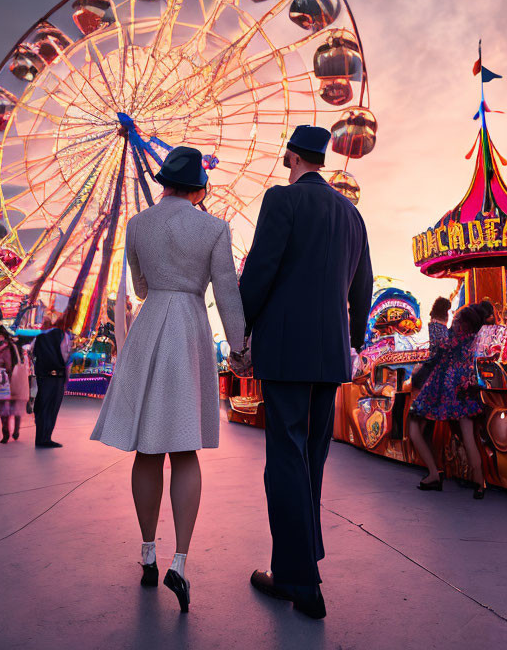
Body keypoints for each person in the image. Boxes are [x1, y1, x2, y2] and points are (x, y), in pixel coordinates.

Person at [90, 146, 244, 614]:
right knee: (185, 449)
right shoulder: (215, 228)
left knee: (147, 450)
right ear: (199, 186)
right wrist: (239, 349)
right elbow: (227, 293)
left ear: (163, 182)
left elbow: (137, 287)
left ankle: (147, 553)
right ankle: (180, 559)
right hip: (190, 329)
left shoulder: (138, 225)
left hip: (152, 322)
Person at [238, 126, 372, 620]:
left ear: (293, 158)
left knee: (285, 462)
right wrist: (354, 341)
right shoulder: (351, 214)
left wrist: (242, 329)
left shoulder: (282, 200)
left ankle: (298, 580)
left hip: (285, 350)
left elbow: (260, 271)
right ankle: (301, 564)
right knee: (312, 460)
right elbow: (364, 288)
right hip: (330, 356)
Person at [408, 304, 487, 498]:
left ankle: (434, 474)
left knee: (414, 426)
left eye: (457, 317)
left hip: (440, 388)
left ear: (463, 323)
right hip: (463, 389)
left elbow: (434, 353)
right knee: (468, 437)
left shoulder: (449, 339)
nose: (454, 318)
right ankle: (480, 483)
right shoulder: (473, 340)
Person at [32, 313, 72, 448]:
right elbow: (66, 356)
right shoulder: (63, 335)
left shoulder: (39, 335)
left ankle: (41, 437)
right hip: (56, 377)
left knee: (42, 406)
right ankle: (45, 437)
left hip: (43, 376)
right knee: (51, 407)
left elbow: (33, 352)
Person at [0, 325, 27, 442]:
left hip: (5, 380)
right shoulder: (14, 346)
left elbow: (8, 365)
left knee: (4, 407)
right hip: (16, 379)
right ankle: (15, 431)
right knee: (15, 406)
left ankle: (7, 432)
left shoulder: (3, 348)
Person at [410, 296, 452, 393]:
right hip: (431, 380)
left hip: (420, 378)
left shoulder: (424, 330)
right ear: (447, 316)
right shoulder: (445, 334)